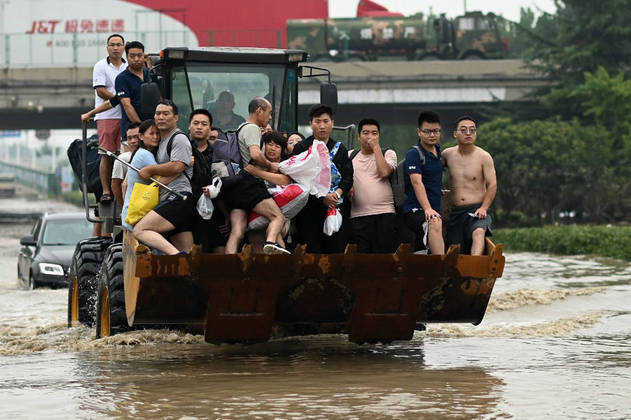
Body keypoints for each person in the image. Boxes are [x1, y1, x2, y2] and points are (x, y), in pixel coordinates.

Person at [222, 97, 288, 255]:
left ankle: (228, 264)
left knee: (237, 231)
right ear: (259, 111)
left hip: (235, 185)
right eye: (269, 113)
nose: (270, 117)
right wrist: (269, 165)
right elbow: (255, 154)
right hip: (249, 184)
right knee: (278, 217)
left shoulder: (240, 127)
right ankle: (271, 243)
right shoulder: (252, 128)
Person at [134, 100, 195, 255]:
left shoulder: (179, 138)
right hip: (175, 201)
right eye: (158, 113)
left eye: (166, 113)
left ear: (176, 117)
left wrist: (150, 169)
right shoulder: (161, 141)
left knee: (140, 230)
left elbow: (177, 166)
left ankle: (177, 258)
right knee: (187, 253)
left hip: (178, 197)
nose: (160, 117)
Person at [291, 104, 353, 254]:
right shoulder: (302, 148)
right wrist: (321, 197)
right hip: (309, 209)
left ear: (332, 123)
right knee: (311, 251)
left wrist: (336, 194)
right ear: (310, 123)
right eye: (318, 121)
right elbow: (297, 179)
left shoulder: (340, 149)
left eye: (326, 121)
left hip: (335, 206)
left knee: (335, 251)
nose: (322, 126)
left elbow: (348, 177)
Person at [442, 116, 497, 255]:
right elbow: (433, 173)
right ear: (455, 133)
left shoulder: (484, 156)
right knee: (455, 250)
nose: (468, 133)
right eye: (464, 130)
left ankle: (475, 269)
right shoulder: (447, 154)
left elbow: (492, 184)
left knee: (478, 233)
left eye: (472, 130)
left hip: (476, 210)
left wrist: (484, 207)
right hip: (455, 212)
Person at [348, 118, 397, 253]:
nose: (370, 136)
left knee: (386, 260)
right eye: (366, 133)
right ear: (359, 137)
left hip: (385, 213)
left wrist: (376, 148)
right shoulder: (350, 156)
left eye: (374, 133)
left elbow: (384, 172)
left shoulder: (388, 153)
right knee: (362, 261)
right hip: (358, 216)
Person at [92, 33, 127, 208]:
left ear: (123, 47)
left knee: (124, 153)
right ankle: (106, 191)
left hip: (126, 115)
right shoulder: (100, 66)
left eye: (119, 44)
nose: (115, 48)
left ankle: (122, 188)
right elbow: (100, 90)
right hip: (107, 116)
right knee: (106, 153)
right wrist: (120, 98)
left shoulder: (129, 66)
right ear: (107, 47)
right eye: (112, 45)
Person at [243, 131, 293, 252]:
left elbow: (285, 181)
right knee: (259, 255)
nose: (273, 148)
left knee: (275, 228)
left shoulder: (285, 166)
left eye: (277, 146)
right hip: (255, 219)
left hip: (280, 218)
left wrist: (258, 173)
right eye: (270, 144)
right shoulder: (253, 163)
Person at [403, 111, 445, 255]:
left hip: (434, 209)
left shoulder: (439, 152)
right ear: (419, 132)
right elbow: (417, 183)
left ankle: (421, 271)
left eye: (435, 131)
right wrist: (427, 209)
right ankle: (442, 267)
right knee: (434, 223)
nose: (432, 135)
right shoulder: (414, 154)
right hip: (416, 210)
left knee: (422, 245)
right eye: (427, 131)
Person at [188, 109, 230, 254]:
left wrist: (227, 215)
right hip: (190, 211)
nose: (199, 127)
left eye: (204, 124)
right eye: (196, 123)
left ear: (210, 128)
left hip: (216, 211)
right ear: (189, 126)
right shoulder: (183, 151)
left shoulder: (218, 155)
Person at [120, 119, 163, 232]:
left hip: (132, 212)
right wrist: (181, 167)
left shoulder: (140, 152)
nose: (156, 137)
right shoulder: (145, 155)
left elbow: (124, 185)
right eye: (151, 133)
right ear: (141, 136)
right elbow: (161, 180)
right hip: (137, 215)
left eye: (158, 133)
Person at [115, 41, 152, 140]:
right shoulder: (122, 78)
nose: (136, 59)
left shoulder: (150, 73)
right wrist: (142, 128)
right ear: (127, 57)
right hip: (132, 133)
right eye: (132, 56)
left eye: (139, 56)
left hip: (153, 131)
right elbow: (127, 105)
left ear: (143, 56)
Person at [111, 122, 140, 206]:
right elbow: (115, 185)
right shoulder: (122, 159)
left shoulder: (154, 154)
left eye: (136, 137)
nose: (133, 141)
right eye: (129, 138)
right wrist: (124, 207)